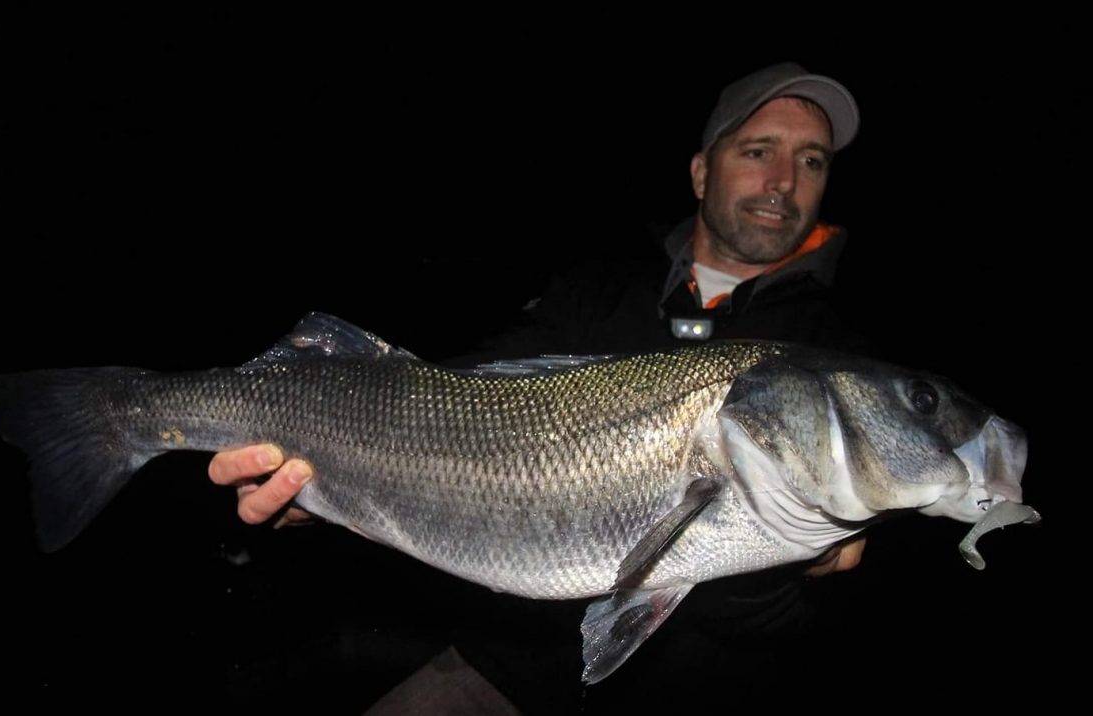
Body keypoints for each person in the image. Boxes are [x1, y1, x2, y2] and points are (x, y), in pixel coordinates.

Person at [210, 62, 868, 709]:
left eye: (812, 162)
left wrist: (785, 562)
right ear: (701, 172)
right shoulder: (595, 289)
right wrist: (322, 479)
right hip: (503, 666)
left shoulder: (842, 361)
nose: (783, 181)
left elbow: (818, 631)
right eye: (758, 150)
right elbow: (443, 405)